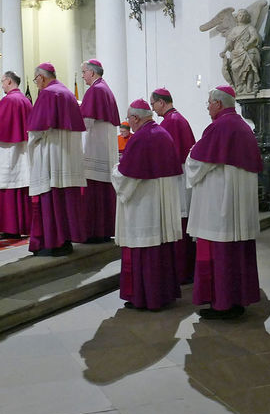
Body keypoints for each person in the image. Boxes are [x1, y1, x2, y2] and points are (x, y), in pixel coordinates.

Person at [186, 85, 262, 319]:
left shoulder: (219, 127)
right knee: (237, 252)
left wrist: (190, 154)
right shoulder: (243, 127)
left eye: (209, 102)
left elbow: (197, 163)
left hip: (220, 206)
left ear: (218, 104)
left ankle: (222, 304)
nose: (208, 106)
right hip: (239, 207)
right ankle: (237, 300)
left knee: (220, 254)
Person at [111, 100, 183, 310]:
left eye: (128, 118)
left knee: (143, 249)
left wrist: (115, 170)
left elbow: (127, 178)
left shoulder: (141, 138)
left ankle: (144, 297)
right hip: (160, 204)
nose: (128, 122)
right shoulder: (163, 134)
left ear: (135, 118)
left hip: (143, 206)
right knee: (160, 249)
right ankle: (163, 295)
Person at [26, 63, 87, 256]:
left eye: (36, 80)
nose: (36, 84)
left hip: (52, 157)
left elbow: (37, 130)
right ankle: (65, 241)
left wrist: (31, 143)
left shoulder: (48, 94)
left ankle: (51, 243)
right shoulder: (67, 93)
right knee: (65, 202)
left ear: (41, 77)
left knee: (50, 199)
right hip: (68, 159)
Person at [151, 87, 197, 284]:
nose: (153, 109)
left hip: (176, 180)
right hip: (181, 177)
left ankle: (181, 272)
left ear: (162, 102)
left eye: (153, 104)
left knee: (179, 223)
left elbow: (168, 156)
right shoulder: (178, 119)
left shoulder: (171, 122)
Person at [0, 71, 33, 238]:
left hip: (6, 153)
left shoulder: (8, 100)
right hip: (23, 150)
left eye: (2, 82)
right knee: (20, 188)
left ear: (9, 81)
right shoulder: (25, 100)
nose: (2, 85)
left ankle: (8, 228)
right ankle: (20, 227)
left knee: (5, 188)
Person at [79, 59, 120, 243]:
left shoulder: (95, 90)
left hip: (95, 149)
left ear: (92, 73)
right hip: (104, 148)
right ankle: (104, 230)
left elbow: (85, 122)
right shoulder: (105, 88)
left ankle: (93, 232)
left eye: (84, 72)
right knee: (103, 192)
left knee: (94, 193)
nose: (82, 76)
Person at [221, 9, 261, 95]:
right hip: (237, 53)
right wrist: (223, 51)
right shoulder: (234, 30)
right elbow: (229, 42)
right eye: (240, 15)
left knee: (249, 67)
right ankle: (240, 85)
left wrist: (248, 44)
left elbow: (254, 37)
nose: (241, 17)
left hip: (247, 50)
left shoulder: (249, 27)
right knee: (234, 68)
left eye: (243, 15)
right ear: (237, 18)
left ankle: (249, 85)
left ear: (247, 17)